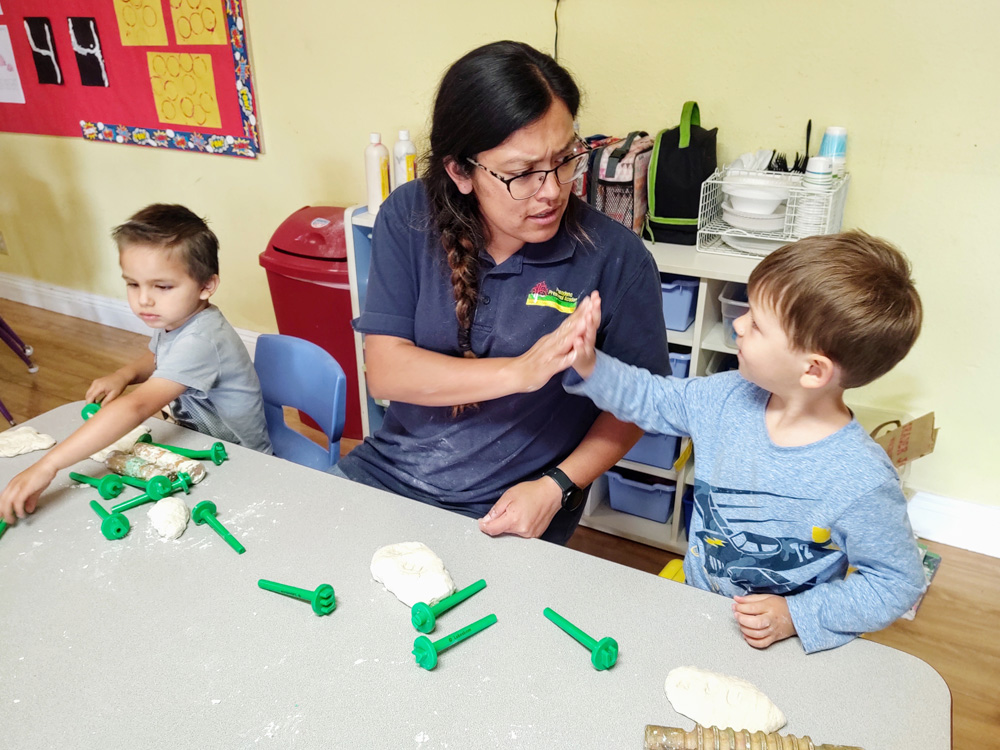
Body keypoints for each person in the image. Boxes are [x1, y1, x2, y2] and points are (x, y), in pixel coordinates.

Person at [333, 40, 671, 543]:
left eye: (565, 159)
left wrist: (557, 486)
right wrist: (520, 372)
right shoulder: (410, 214)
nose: (552, 190)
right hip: (389, 471)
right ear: (460, 171)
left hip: (514, 502)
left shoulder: (614, 257)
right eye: (521, 173)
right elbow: (387, 372)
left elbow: (641, 403)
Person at [556, 230, 927, 653]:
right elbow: (653, 398)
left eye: (757, 324)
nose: (737, 323)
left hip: (778, 642)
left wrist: (796, 615)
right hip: (699, 608)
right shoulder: (725, 396)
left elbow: (896, 583)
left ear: (813, 371)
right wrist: (589, 365)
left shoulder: (861, 480)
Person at [0, 204, 271, 524]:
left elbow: (137, 406)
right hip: (197, 441)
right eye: (133, 284)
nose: (144, 299)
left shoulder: (202, 339)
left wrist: (48, 465)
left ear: (206, 286)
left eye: (162, 286)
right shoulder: (176, 317)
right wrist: (125, 374)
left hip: (242, 459)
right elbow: (158, 355)